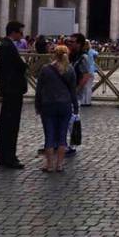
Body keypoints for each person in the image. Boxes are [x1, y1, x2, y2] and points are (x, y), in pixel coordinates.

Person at [34, 45, 78, 173]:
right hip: (65, 105)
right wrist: (75, 107)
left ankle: (49, 165)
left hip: (48, 105)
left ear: (54, 55)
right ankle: (59, 165)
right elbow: (73, 91)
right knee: (62, 135)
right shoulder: (70, 69)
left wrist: (37, 105)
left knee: (49, 135)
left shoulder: (45, 69)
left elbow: (39, 90)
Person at [0, 21, 28, 169]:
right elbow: (20, 66)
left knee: (5, 124)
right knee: (10, 125)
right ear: (14, 32)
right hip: (13, 90)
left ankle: (4, 156)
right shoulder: (8, 47)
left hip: (8, 89)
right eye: (20, 33)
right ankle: (9, 157)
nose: (22, 36)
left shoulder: (5, 45)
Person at [68, 34, 93, 107]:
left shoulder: (83, 57)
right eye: (69, 41)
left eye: (72, 41)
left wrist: (76, 90)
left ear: (79, 44)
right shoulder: (71, 55)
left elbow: (86, 76)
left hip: (75, 94)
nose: (69, 43)